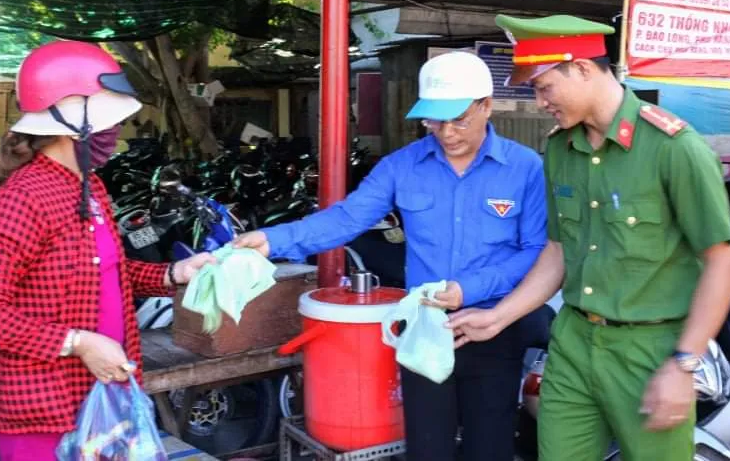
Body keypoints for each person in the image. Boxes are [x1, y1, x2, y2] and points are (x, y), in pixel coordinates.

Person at [448, 14, 730, 461]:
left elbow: (720, 262)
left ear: (582, 68)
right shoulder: (561, 150)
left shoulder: (674, 148)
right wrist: (500, 317)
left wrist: (684, 363)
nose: (540, 101)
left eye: (544, 87)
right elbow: (558, 250)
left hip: (649, 350)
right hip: (574, 342)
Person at [233, 51, 547, 461]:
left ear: (486, 106)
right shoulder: (402, 166)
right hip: (424, 331)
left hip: (494, 326)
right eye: (435, 121)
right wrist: (271, 241)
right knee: (427, 448)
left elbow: (536, 252)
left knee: (489, 447)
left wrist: (469, 289)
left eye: (459, 120)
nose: (447, 133)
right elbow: (346, 219)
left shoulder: (525, 168)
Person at [0, 41, 215, 461]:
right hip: (43, 411)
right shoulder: (23, 198)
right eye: (107, 121)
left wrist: (173, 275)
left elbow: (104, 272)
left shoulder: (88, 185)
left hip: (102, 397)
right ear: (66, 120)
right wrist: (78, 343)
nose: (115, 133)